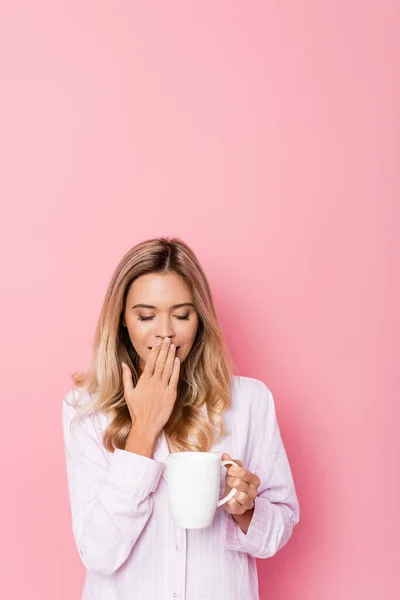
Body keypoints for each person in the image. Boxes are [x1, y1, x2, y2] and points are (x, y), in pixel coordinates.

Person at [62, 236, 300, 600]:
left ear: (199, 319)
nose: (165, 332)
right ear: (123, 321)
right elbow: (99, 552)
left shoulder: (250, 401)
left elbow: (278, 529)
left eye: (182, 314)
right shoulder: (86, 409)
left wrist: (247, 510)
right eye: (145, 315)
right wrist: (144, 429)